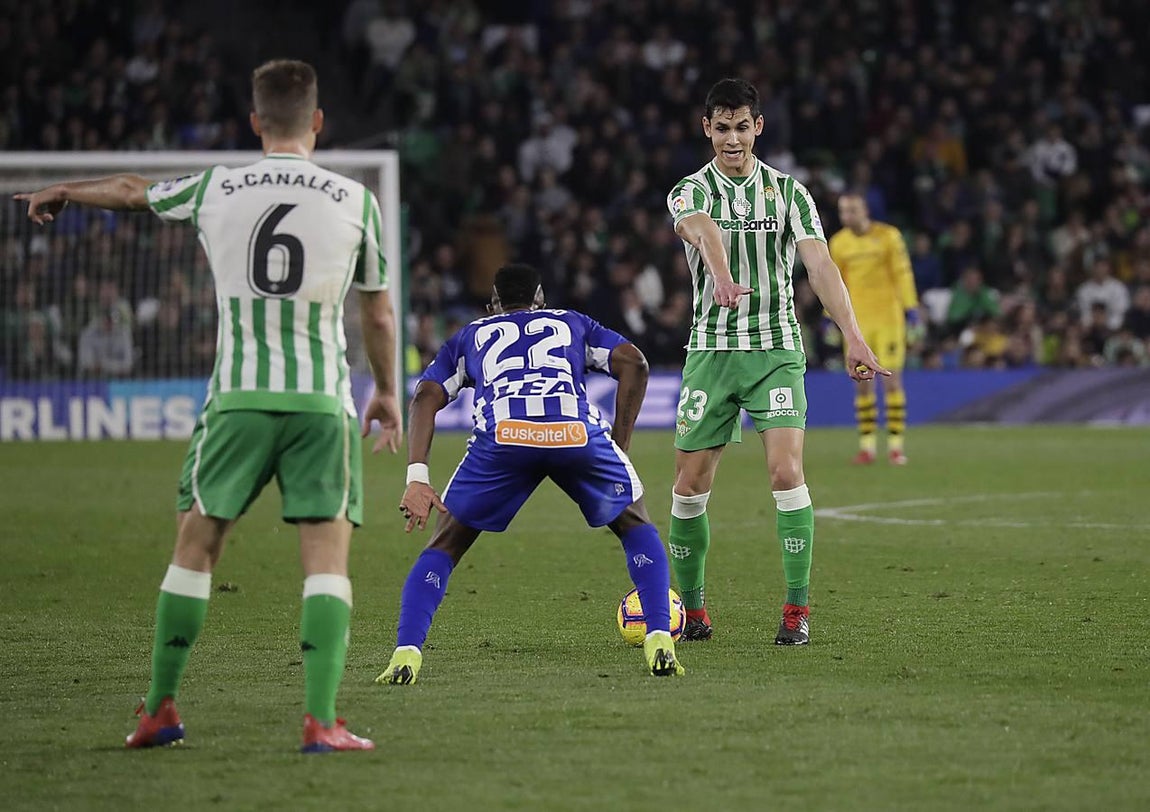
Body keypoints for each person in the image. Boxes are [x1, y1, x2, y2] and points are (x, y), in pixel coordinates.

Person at [15, 59, 401, 753]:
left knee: (195, 548)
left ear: (255, 122)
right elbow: (377, 314)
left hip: (237, 400)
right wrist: (388, 391)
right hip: (321, 402)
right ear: (317, 121)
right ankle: (321, 721)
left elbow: (132, 191)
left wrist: (67, 188)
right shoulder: (356, 199)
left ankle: (160, 709)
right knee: (325, 559)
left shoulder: (217, 186)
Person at [375, 263, 685, 683]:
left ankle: (406, 654)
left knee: (445, 545)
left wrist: (417, 476)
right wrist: (619, 445)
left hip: (504, 439)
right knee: (635, 524)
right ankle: (660, 638)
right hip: (573, 434)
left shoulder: (471, 335)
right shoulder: (571, 322)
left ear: (492, 306)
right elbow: (636, 363)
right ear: (541, 300)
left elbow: (426, 396)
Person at [664, 78, 887, 645]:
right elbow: (702, 230)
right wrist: (720, 275)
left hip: (775, 351)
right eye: (722, 128)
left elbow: (820, 265)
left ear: (758, 127)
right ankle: (693, 610)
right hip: (712, 352)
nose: (732, 139)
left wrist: (853, 336)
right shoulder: (689, 191)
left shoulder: (790, 193)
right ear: (706, 129)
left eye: (742, 127)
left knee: (787, 473)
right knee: (688, 487)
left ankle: (796, 610)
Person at [830, 194, 921, 465]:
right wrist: (828, 316)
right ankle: (867, 447)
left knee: (892, 381)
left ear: (865, 210)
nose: (847, 216)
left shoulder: (888, 236)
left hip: (889, 319)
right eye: (843, 211)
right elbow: (835, 282)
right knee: (862, 384)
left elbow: (902, 273)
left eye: (852, 210)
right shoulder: (839, 243)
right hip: (857, 324)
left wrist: (911, 308)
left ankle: (895, 446)